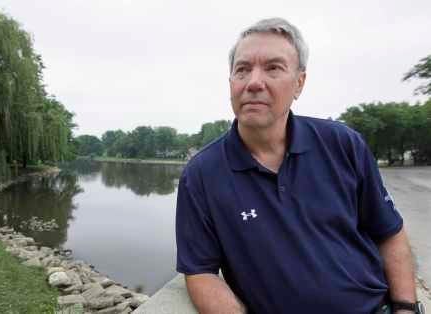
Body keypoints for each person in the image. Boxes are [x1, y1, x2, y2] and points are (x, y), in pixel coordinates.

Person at [175, 17, 423, 314]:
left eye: (273, 68)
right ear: (231, 83)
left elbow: (389, 232)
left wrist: (406, 308)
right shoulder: (202, 174)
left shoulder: (343, 144)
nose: (254, 82)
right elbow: (201, 272)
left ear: (299, 83)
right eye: (242, 69)